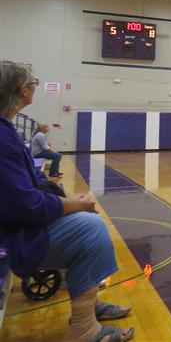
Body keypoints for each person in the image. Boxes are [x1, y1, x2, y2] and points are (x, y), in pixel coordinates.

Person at [0, 61, 134, 342]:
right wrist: (75, 205)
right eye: (33, 82)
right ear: (23, 91)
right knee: (92, 229)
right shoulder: (3, 137)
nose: (35, 87)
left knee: (84, 219)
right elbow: (27, 204)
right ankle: (84, 329)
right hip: (12, 235)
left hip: (14, 224)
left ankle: (91, 305)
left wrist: (68, 201)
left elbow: (32, 186)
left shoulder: (7, 131)